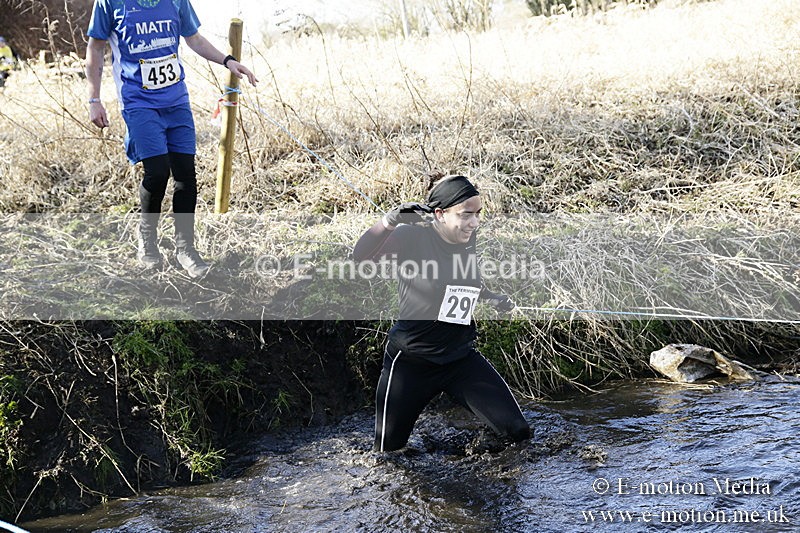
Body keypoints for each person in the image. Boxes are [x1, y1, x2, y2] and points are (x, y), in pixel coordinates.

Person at [352, 175, 531, 452]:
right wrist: (390, 221)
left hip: (459, 358)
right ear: (440, 214)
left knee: (518, 433)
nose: (474, 222)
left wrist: (490, 297)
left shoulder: (465, 238)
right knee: (387, 453)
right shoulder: (411, 237)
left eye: (478, 214)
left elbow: (462, 281)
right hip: (412, 362)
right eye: (466, 215)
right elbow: (361, 257)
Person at [85, 0, 258, 278]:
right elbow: (95, 46)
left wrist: (228, 61)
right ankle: (147, 240)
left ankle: (185, 249)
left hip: (176, 101)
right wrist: (94, 99)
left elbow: (194, 39)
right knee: (157, 171)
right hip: (138, 101)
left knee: (186, 174)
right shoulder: (109, 2)